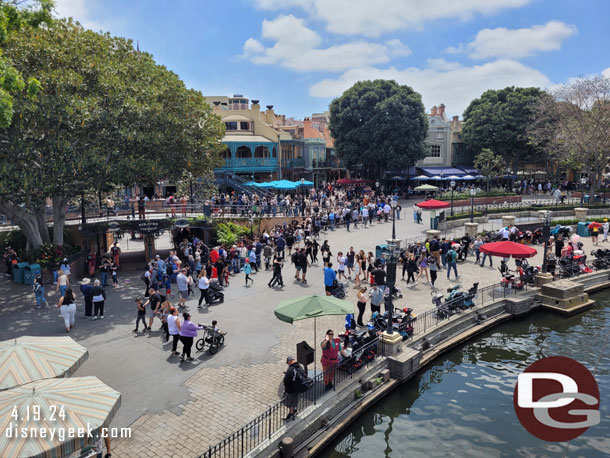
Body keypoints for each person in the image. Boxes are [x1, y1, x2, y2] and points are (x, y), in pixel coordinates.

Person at [283, 356, 304, 421]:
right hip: (297, 388)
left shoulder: (290, 370)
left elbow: (286, 380)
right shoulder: (300, 367)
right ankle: (294, 410)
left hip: (291, 390)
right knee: (295, 400)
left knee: (290, 402)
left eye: (288, 363)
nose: (288, 364)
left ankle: (291, 414)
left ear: (289, 362)